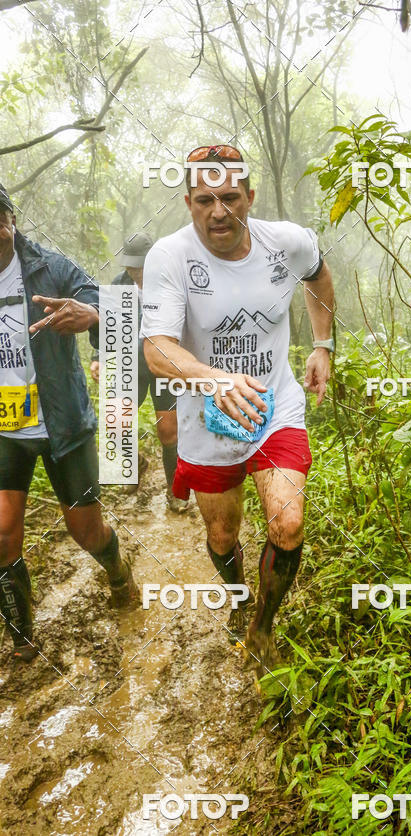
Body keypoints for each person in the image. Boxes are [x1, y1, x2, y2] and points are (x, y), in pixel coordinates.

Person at [141, 144, 334, 672]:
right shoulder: (169, 256)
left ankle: (261, 629)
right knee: (222, 534)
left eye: (230, 197)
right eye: (205, 199)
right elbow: (157, 348)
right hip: (205, 418)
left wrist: (323, 344)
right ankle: (238, 593)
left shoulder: (286, 242)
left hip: (275, 405)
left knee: (287, 523)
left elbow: (317, 274)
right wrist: (214, 379)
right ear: (188, 202)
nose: (218, 211)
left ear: (250, 196)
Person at [0, 184, 139, 663]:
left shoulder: (49, 268)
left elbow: (113, 311)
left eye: (0, 219)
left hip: (63, 425)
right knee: (1, 531)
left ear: (11, 221)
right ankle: (21, 637)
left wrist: (92, 313)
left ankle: (116, 568)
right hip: (6, 433)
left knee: (86, 531)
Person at [90, 233, 188, 512]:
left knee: (168, 431)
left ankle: (175, 491)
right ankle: (135, 463)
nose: (136, 272)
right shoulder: (120, 285)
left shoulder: (170, 283)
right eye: (131, 266)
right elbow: (107, 327)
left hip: (163, 365)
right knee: (116, 421)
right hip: (129, 364)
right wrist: (99, 357)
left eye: (141, 266)